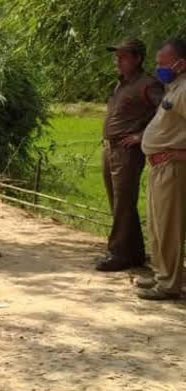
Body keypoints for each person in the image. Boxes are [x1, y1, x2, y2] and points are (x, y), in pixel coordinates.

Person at [97, 39, 163, 272]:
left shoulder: (148, 85)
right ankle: (133, 252)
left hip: (127, 151)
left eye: (123, 57)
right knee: (117, 200)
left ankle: (118, 253)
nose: (118, 61)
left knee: (123, 201)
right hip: (111, 148)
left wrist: (141, 135)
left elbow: (165, 114)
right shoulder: (122, 84)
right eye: (117, 56)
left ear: (137, 59)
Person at [138, 38, 186, 300]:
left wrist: (181, 153)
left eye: (162, 64)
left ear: (181, 63)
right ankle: (161, 274)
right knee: (157, 225)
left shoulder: (185, 89)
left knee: (169, 227)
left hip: (173, 167)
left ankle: (169, 284)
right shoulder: (174, 87)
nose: (158, 68)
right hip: (159, 167)